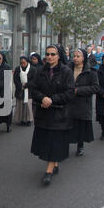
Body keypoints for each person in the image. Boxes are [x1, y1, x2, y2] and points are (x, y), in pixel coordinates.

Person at [31, 45, 75, 186]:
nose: (49, 57)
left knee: (53, 142)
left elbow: (69, 92)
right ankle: (54, 163)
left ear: (58, 56)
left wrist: (52, 100)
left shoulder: (66, 71)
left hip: (59, 114)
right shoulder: (40, 71)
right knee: (47, 142)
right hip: (43, 114)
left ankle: (48, 171)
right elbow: (34, 89)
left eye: (53, 54)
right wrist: (42, 98)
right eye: (47, 54)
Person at [68, 49, 99, 156]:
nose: (75, 58)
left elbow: (95, 88)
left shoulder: (91, 72)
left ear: (83, 58)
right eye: (74, 56)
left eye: (78, 56)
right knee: (67, 124)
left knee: (80, 126)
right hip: (69, 102)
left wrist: (79, 91)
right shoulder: (68, 69)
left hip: (82, 103)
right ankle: (65, 144)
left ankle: (80, 146)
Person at [13, 56, 36, 126]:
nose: (22, 64)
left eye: (24, 62)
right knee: (20, 106)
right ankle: (21, 119)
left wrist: (26, 85)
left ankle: (28, 120)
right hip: (20, 90)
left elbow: (34, 80)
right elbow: (15, 79)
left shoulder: (33, 69)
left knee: (28, 106)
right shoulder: (17, 69)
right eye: (21, 63)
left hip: (29, 91)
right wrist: (20, 85)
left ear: (27, 62)